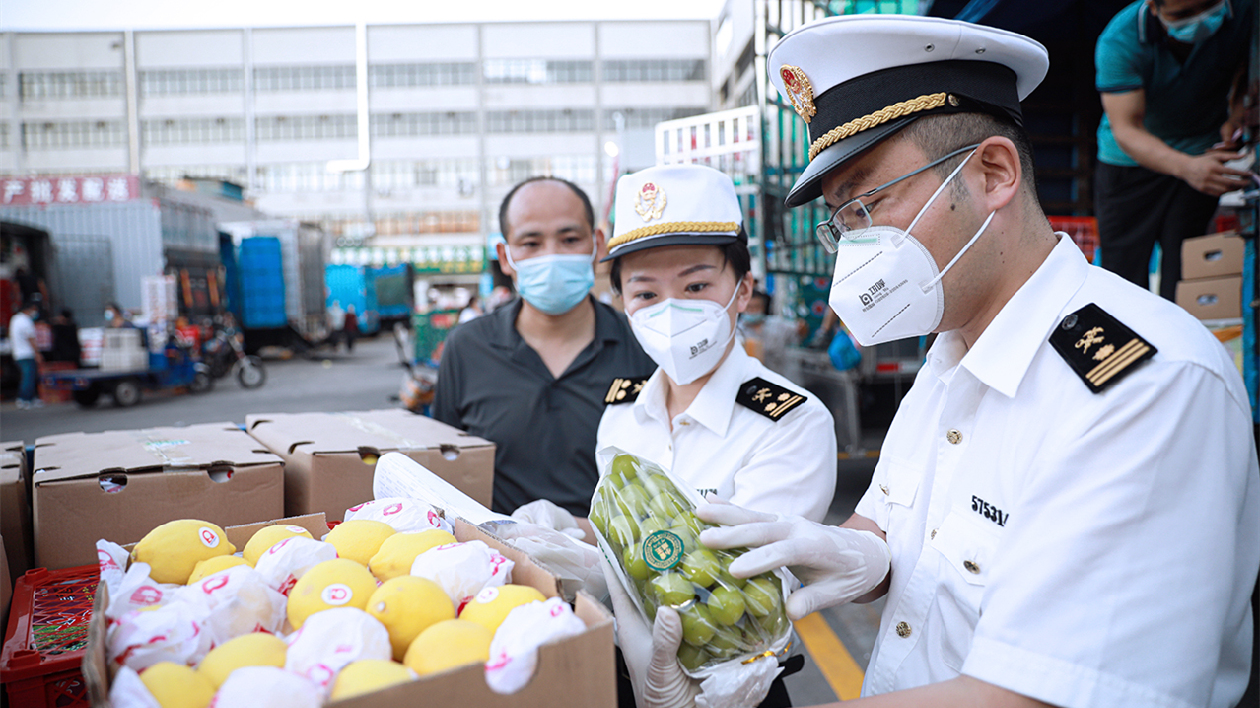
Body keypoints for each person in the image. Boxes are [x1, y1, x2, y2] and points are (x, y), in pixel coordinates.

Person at [617, 15, 1260, 708]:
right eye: (840, 224)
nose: (851, 251)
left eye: (868, 204)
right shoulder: (950, 354)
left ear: (993, 173)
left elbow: (1029, 696)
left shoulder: (1144, 388)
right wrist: (852, 553)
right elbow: (892, 532)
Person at [594, 164, 837, 708]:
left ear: (743, 290)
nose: (670, 310)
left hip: (736, 687)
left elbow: (743, 594)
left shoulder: (790, 422)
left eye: (697, 286)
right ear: (623, 305)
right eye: (645, 293)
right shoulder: (620, 411)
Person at [432, 176, 657, 517]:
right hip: (500, 561)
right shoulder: (467, 348)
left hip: (620, 559)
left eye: (569, 239)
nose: (551, 256)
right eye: (531, 243)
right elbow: (446, 467)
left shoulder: (644, 345)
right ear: (505, 256)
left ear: (597, 243)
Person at [1094, 0, 1254, 299]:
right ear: (1154, 7)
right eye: (1183, 15)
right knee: (1123, 273)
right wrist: (1188, 167)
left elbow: (1248, 70)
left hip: (1201, 152)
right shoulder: (1120, 40)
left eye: (1208, 7)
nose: (1201, 20)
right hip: (1129, 162)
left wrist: (1236, 112)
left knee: (1186, 267)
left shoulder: (1245, 12)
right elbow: (1127, 128)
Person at [9, 300, 42, 409]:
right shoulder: (25, 320)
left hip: (17, 353)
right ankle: (24, 399)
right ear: (30, 309)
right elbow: (31, 338)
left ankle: (30, 399)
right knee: (29, 377)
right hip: (26, 353)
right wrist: (37, 353)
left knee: (27, 377)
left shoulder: (15, 319)